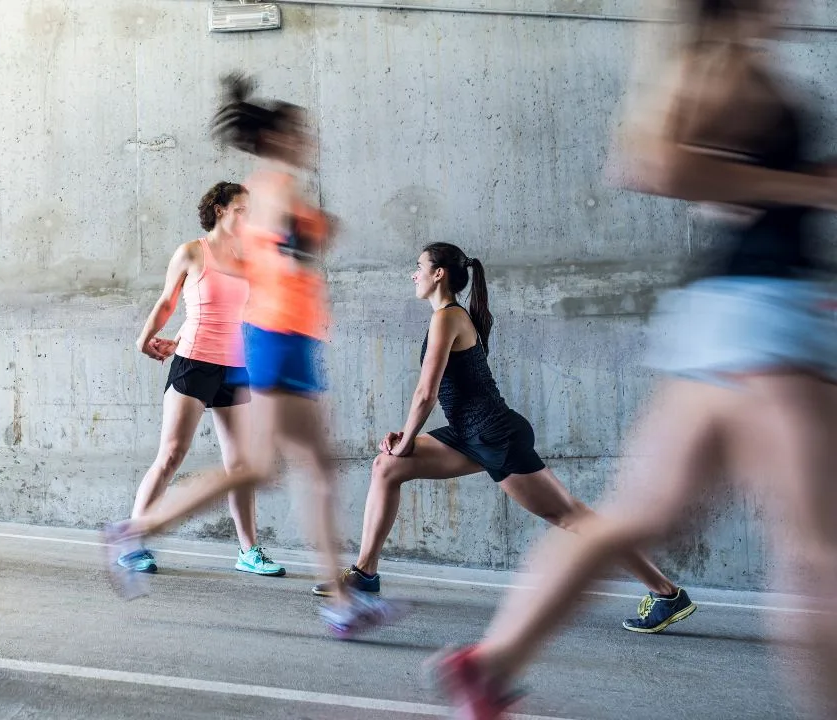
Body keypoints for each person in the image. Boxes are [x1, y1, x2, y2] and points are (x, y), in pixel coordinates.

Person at [432, 1, 837, 716]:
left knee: (645, 513)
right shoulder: (728, 67)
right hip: (766, 324)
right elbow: (654, 162)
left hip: (727, 315)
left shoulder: (723, 62)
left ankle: (493, 663)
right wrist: (807, 187)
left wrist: (799, 186)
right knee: (818, 551)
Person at [103, 74, 402, 638]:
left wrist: (312, 237)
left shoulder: (276, 190)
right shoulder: (268, 191)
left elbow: (288, 251)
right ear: (278, 138)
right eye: (300, 132)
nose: (308, 139)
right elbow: (288, 255)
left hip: (283, 338)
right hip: (273, 339)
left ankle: (340, 600)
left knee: (293, 468)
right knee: (273, 468)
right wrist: (313, 234)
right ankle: (135, 528)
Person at [313, 242, 695, 634]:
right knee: (387, 466)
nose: (414, 274)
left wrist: (409, 437)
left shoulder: (447, 317)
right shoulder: (447, 317)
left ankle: (666, 593)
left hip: (497, 436)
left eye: (419, 267)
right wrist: (405, 438)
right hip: (468, 434)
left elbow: (426, 392)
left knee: (569, 516)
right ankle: (365, 574)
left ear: (439, 273)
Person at [122, 181, 284, 578]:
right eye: (241, 210)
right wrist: (145, 341)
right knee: (172, 455)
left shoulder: (246, 259)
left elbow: (238, 313)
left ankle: (249, 551)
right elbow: (168, 302)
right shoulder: (192, 252)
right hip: (193, 362)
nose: (248, 217)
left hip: (234, 367)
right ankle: (132, 541)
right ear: (219, 209)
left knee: (239, 464)